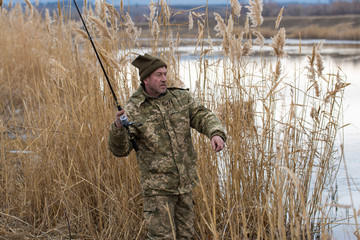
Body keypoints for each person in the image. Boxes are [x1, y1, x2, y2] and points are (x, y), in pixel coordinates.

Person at [108, 53, 226, 239]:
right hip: (158, 192)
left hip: (184, 186)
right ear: (146, 79)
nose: (164, 79)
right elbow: (120, 150)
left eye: (165, 73)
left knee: (186, 236)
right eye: (158, 75)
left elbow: (202, 116)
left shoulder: (180, 98)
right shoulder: (133, 110)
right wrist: (118, 127)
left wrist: (216, 133)